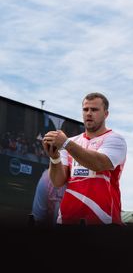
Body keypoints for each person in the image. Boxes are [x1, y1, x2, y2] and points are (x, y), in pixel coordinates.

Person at [42, 92, 127, 225]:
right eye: (85, 109)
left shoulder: (115, 139)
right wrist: (54, 158)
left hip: (103, 221)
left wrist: (66, 144)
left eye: (94, 110)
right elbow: (58, 182)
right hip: (67, 221)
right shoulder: (71, 142)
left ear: (106, 114)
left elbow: (98, 163)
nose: (88, 113)